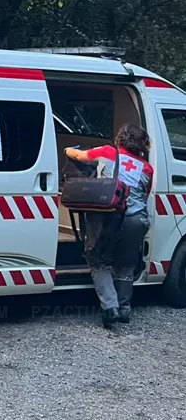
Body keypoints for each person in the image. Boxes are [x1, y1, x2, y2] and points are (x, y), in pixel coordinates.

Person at [64, 123, 153, 327]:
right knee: (126, 265)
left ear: (120, 138)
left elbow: (79, 156)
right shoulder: (147, 168)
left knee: (97, 261)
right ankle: (124, 309)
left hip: (108, 216)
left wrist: (67, 149)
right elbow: (144, 195)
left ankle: (110, 308)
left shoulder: (106, 152)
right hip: (136, 220)